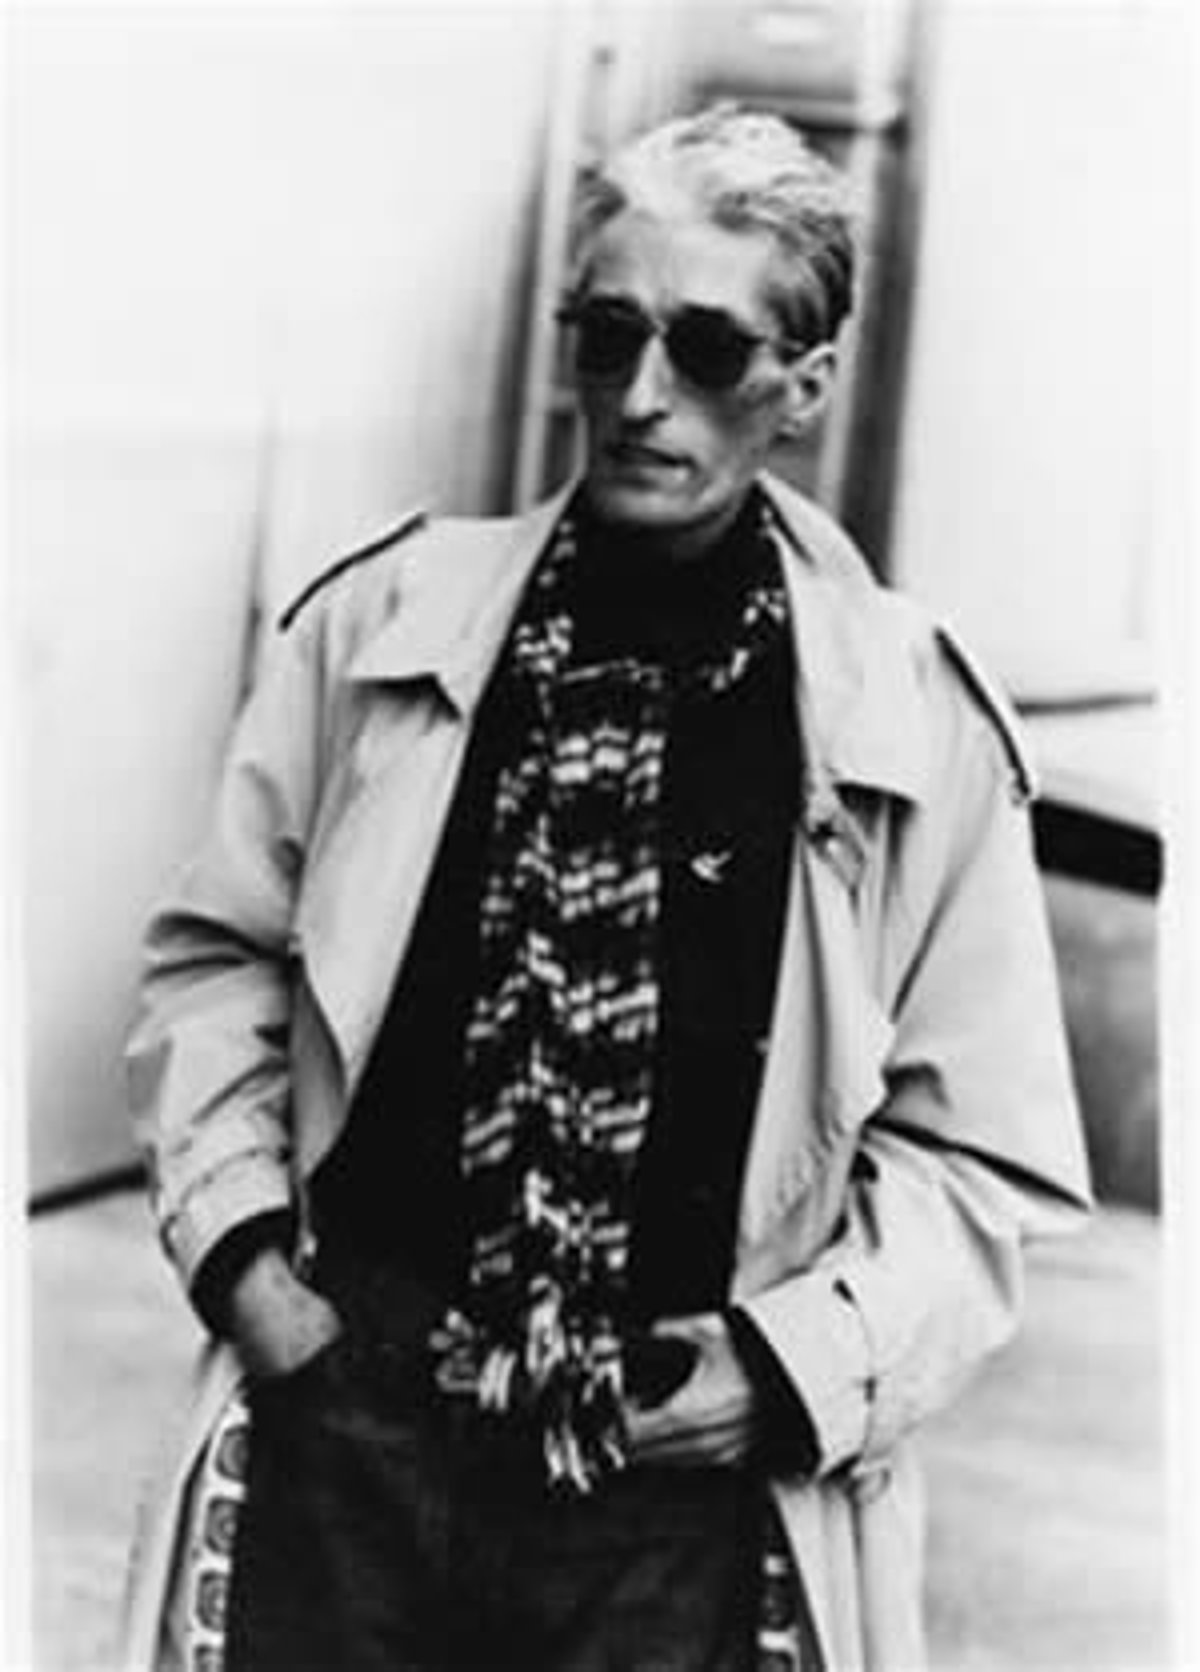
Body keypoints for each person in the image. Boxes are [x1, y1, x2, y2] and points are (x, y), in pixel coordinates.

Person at [123, 104, 1091, 1671]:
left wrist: (783, 1372)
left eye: (708, 351)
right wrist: (248, 1270)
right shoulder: (379, 628)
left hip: (671, 1486)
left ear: (804, 387)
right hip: (352, 1430)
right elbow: (217, 960)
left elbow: (975, 1157)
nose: (643, 397)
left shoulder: (914, 723)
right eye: (608, 336)